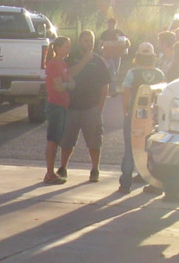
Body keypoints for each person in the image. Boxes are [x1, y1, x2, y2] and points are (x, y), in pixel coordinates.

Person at [56, 29, 111, 183]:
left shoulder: (99, 61)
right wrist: (85, 60)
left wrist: (100, 107)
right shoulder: (70, 58)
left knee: (94, 141)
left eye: (91, 41)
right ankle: (63, 167)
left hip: (91, 107)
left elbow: (105, 85)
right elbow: (68, 75)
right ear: (80, 42)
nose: (89, 44)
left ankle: (95, 169)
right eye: (86, 40)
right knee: (67, 141)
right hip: (71, 107)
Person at [117, 42, 165, 194]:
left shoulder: (132, 73)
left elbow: (126, 94)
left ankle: (125, 184)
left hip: (135, 115)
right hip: (153, 118)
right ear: (152, 57)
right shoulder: (160, 74)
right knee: (153, 150)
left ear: (137, 57)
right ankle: (154, 182)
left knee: (130, 148)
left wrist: (126, 112)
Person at [43, 36, 72, 185]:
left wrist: (67, 83)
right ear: (58, 48)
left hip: (63, 105)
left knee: (57, 139)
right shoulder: (53, 64)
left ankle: (52, 172)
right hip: (55, 105)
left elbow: (69, 81)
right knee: (53, 139)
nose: (68, 49)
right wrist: (68, 85)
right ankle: (49, 173)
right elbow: (59, 86)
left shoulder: (63, 63)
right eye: (66, 46)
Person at [97, 16, 129, 95]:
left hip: (117, 55)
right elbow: (100, 44)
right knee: (112, 70)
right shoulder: (105, 33)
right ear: (108, 24)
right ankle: (113, 89)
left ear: (115, 24)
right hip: (108, 56)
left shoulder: (119, 32)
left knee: (115, 71)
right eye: (110, 23)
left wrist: (125, 47)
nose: (111, 25)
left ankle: (110, 88)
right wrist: (102, 50)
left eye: (113, 23)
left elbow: (126, 42)